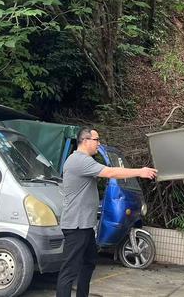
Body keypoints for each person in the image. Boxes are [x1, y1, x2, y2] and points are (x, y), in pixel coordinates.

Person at [56, 127, 158, 297]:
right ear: (86, 140)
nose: (99, 144)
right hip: (76, 225)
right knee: (69, 270)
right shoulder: (79, 161)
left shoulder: (84, 161)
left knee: (88, 263)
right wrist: (140, 171)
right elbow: (110, 172)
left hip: (85, 226)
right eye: (97, 140)